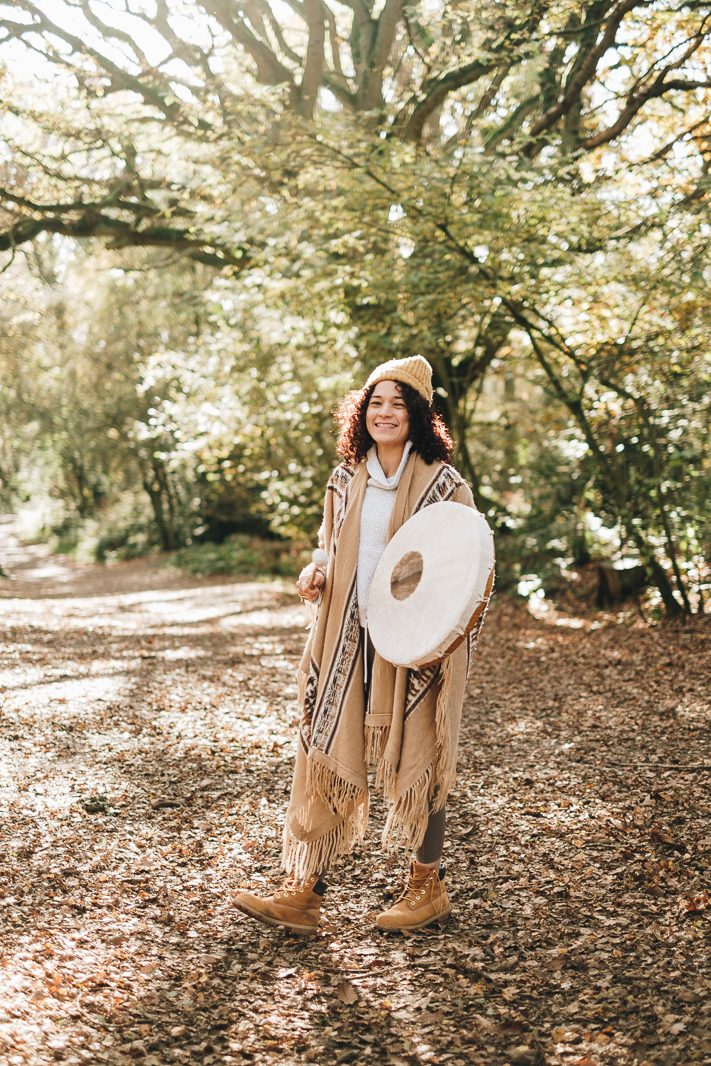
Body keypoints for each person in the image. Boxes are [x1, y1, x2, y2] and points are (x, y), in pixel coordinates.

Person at [234, 355, 485, 935]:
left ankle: (427, 887)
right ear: (362, 412)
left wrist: (443, 627)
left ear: (419, 416)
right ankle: (305, 892)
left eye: (399, 404)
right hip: (348, 635)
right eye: (376, 402)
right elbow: (329, 545)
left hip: (415, 641)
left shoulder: (445, 485)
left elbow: (469, 563)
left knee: (422, 749)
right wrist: (316, 571)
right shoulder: (346, 478)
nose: (385, 413)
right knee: (327, 745)